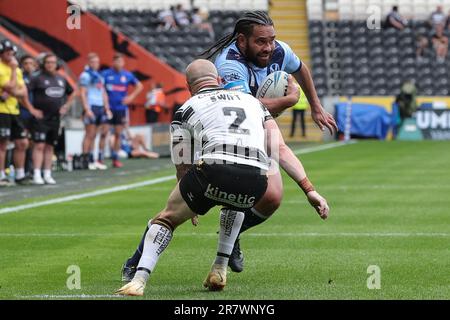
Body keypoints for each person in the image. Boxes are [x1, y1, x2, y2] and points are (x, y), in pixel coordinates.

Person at [121, 11, 336, 280]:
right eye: (261, 42)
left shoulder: (279, 50)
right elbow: (242, 105)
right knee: (179, 207)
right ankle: (136, 260)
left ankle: (231, 241)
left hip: (254, 130)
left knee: (272, 198)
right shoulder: (229, 65)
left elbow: (300, 68)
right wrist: (289, 100)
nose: (269, 47)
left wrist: (316, 106)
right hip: (220, 133)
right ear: (242, 41)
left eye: (272, 40)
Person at [28, 53, 76, 185]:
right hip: (41, 117)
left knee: (50, 146)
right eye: (48, 62)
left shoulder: (61, 79)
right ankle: (37, 173)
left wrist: (66, 106)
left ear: (56, 64)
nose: (50, 65)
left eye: (53, 62)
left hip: (55, 118)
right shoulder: (37, 78)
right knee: (39, 145)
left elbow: (73, 92)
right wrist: (32, 109)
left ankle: (47, 173)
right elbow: (25, 93)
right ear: (43, 64)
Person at [102, 53, 143, 168]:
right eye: (116, 61)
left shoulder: (127, 75)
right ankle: (99, 159)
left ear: (123, 63)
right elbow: (100, 89)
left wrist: (131, 97)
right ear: (113, 62)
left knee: (118, 134)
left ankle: (115, 158)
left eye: (120, 61)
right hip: (108, 109)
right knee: (104, 133)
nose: (118, 64)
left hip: (121, 109)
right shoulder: (106, 74)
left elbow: (139, 86)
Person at [0, 40, 32, 186]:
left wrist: (11, 91)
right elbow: (12, 86)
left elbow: (22, 91)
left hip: (14, 109)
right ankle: (1, 175)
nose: (10, 54)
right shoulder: (5, 68)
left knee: (22, 142)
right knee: (2, 143)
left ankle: (20, 174)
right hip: (2, 110)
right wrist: (13, 71)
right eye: (7, 52)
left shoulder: (18, 70)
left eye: (11, 51)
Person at [79, 53, 112, 170]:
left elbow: (103, 93)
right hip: (91, 106)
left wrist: (107, 107)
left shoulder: (99, 76)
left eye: (97, 62)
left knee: (98, 134)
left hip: (100, 107)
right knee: (90, 134)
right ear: (88, 62)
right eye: (93, 62)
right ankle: (85, 160)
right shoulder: (85, 75)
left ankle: (95, 159)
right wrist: (86, 108)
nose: (95, 64)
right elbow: (82, 92)